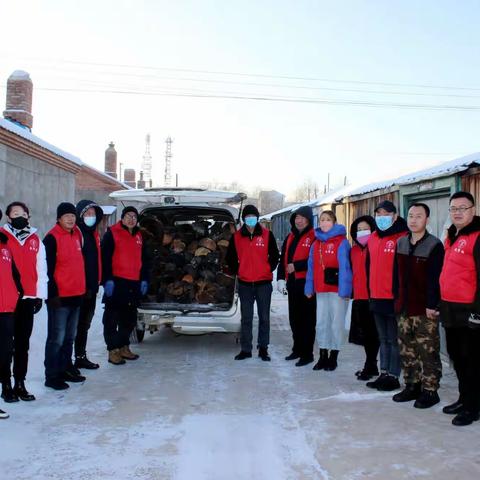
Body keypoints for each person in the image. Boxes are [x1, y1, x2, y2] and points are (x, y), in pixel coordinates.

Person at [394, 203, 444, 409]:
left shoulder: (434, 245)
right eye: (411, 216)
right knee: (407, 349)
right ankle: (411, 385)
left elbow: (437, 279)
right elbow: (394, 276)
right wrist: (395, 299)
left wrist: (433, 304)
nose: (413, 220)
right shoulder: (401, 243)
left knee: (428, 351)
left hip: (425, 309)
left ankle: (430, 391)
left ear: (427, 220)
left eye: (419, 216)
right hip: (403, 307)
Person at [439, 191, 480, 426]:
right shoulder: (452, 235)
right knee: (457, 358)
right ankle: (464, 399)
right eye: (453, 208)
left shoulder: (477, 235)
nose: (457, 212)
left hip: (470, 311)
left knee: (472, 361)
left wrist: (477, 312)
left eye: (462, 208)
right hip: (450, 308)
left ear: (472, 210)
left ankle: (473, 407)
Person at [1, 202, 47, 402]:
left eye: (23, 213)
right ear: (8, 218)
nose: (20, 216)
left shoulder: (35, 239)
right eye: (15, 213)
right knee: (5, 345)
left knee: (22, 344)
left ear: (28, 216)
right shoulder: (3, 238)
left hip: (28, 298)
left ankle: (20, 382)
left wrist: (39, 295)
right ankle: (6, 385)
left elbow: (42, 269)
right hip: (7, 299)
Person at [226, 205, 279, 361]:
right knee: (246, 318)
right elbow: (230, 258)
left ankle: (263, 348)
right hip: (245, 284)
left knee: (264, 318)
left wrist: (268, 268)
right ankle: (246, 349)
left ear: (257, 218)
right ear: (243, 219)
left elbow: (275, 255)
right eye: (247, 216)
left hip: (263, 284)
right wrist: (239, 270)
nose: (250, 219)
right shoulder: (236, 237)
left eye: (253, 216)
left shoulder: (267, 235)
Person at [366, 200, 408, 391]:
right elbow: (369, 266)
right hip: (376, 296)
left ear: (395, 216)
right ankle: (383, 373)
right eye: (379, 214)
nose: (382, 218)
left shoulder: (403, 237)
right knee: (382, 338)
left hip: (393, 297)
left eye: (386, 214)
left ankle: (393, 375)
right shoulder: (373, 237)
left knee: (393, 339)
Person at [43, 202, 87, 390]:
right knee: (57, 338)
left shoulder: (77, 234)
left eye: (72, 215)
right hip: (59, 298)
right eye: (66, 216)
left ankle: (65, 369)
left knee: (70, 337)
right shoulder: (52, 238)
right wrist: (52, 294)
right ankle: (52, 375)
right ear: (59, 218)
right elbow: (47, 270)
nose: (70, 218)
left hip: (76, 295)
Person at [305, 210, 352, 371]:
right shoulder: (316, 243)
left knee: (336, 323)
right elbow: (311, 267)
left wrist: (345, 290)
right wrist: (309, 287)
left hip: (337, 290)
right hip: (321, 289)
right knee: (321, 322)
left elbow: (346, 268)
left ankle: (334, 355)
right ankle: (323, 354)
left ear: (334, 222)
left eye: (328, 220)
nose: (324, 223)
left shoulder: (342, 242)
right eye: (322, 220)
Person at [101, 206, 149, 365]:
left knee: (129, 320)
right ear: (122, 217)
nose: (131, 219)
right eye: (128, 216)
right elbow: (105, 259)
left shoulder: (139, 235)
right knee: (111, 319)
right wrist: (107, 280)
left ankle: (123, 346)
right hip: (116, 283)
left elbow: (144, 260)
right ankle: (113, 350)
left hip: (133, 284)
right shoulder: (112, 234)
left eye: (134, 217)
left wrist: (144, 279)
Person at [277, 206, 316, 366]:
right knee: (295, 318)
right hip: (292, 283)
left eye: (302, 218)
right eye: (296, 218)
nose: (299, 221)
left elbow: (315, 260)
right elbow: (283, 259)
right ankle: (297, 348)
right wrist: (280, 278)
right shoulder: (290, 236)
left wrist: (297, 266)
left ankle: (307, 353)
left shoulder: (314, 236)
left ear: (308, 219)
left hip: (307, 282)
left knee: (307, 319)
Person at [73, 200, 104, 370]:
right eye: (87, 214)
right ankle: (67, 361)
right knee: (75, 326)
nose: (90, 217)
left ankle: (80, 356)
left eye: (93, 214)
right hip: (78, 289)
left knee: (85, 325)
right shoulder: (77, 233)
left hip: (91, 288)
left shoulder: (94, 234)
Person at [349, 215, 380, 380]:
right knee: (365, 335)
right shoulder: (353, 250)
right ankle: (371, 364)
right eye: (359, 230)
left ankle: (372, 365)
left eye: (365, 229)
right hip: (359, 297)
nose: (362, 232)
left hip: (373, 297)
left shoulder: (375, 247)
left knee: (374, 334)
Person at [0, 208, 23, 419]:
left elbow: (14, 273)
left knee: (6, 351)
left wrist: (19, 291)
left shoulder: (4, 245)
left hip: (7, 309)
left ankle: (6, 386)